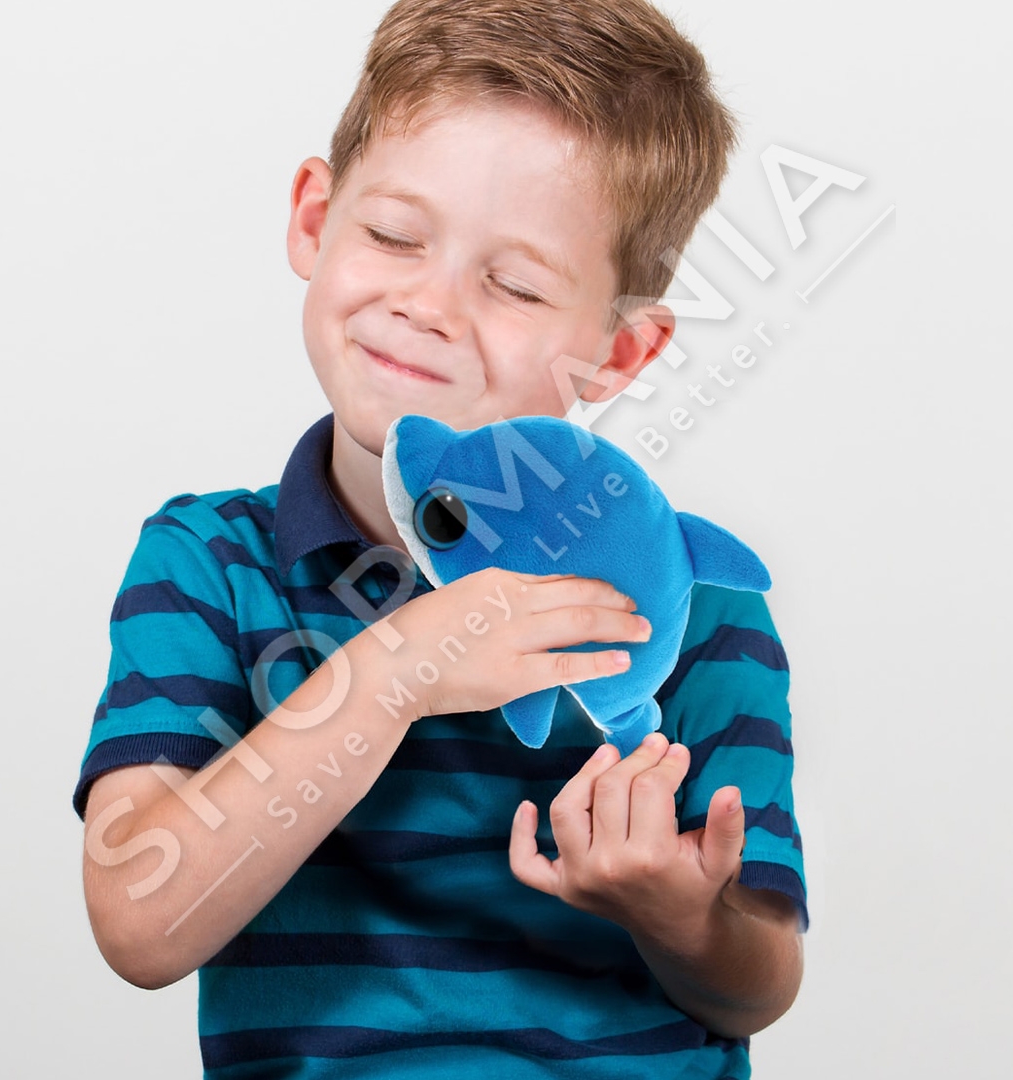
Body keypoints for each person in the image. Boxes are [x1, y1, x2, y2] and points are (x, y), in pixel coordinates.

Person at [74, 1, 807, 1076]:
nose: (430, 305)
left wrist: (679, 914)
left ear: (620, 353)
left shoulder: (696, 602)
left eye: (514, 285)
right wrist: (394, 672)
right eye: (392, 236)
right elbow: (138, 926)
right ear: (314, 219)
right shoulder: (210, 563)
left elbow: (760, 985)